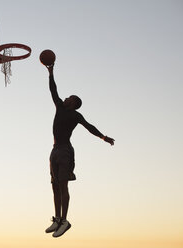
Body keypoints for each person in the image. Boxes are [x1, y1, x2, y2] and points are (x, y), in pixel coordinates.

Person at [45, 64, 115, 238]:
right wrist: (51, 72)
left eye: (70, 97)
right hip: (54, 150)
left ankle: (65, 221)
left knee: (63, 186)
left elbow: (89, 127)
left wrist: (103, 137)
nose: (66, 97)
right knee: (54, 186)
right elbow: (53, 90)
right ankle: (58, 219)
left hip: (65, 152)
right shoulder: (60, 107)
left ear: (74, 103)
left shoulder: (76, 116)